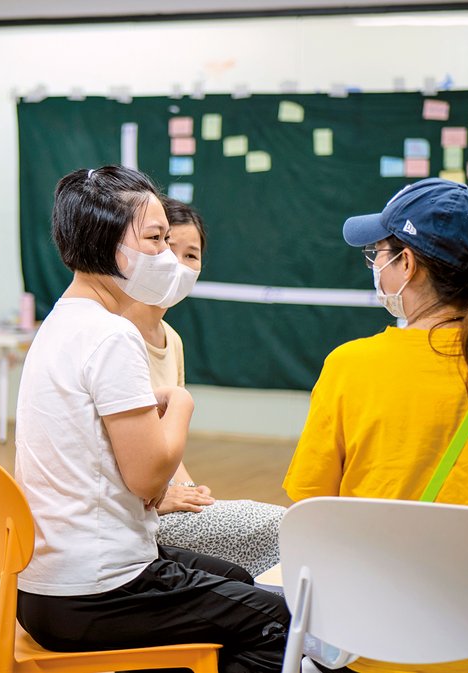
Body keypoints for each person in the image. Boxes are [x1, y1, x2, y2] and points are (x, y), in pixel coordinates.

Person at [284, 178, 468, 673]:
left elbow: (309, 508)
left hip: (368, 647)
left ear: (408, 264)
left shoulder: (350, 367)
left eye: (379, 252)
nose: (376, 266)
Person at [14, 166, 289, 673]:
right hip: (97, 590)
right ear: (105, 241)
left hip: (46, 586)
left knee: (237, 578)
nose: (166, 257)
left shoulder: (62, 321)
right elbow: (149, 480)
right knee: (294, 625)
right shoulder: (111, 335)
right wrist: (181, 403)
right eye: (156, 239)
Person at [122, 197, 284, 576]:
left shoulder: (171, 340)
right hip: (130, 515)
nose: (178, 263)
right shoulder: (116, 337)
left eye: (191, 255)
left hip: (156, 503)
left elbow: (165, 446)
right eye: (164, 245)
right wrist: (159, 498)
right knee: (284, 528)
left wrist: (189, 491)